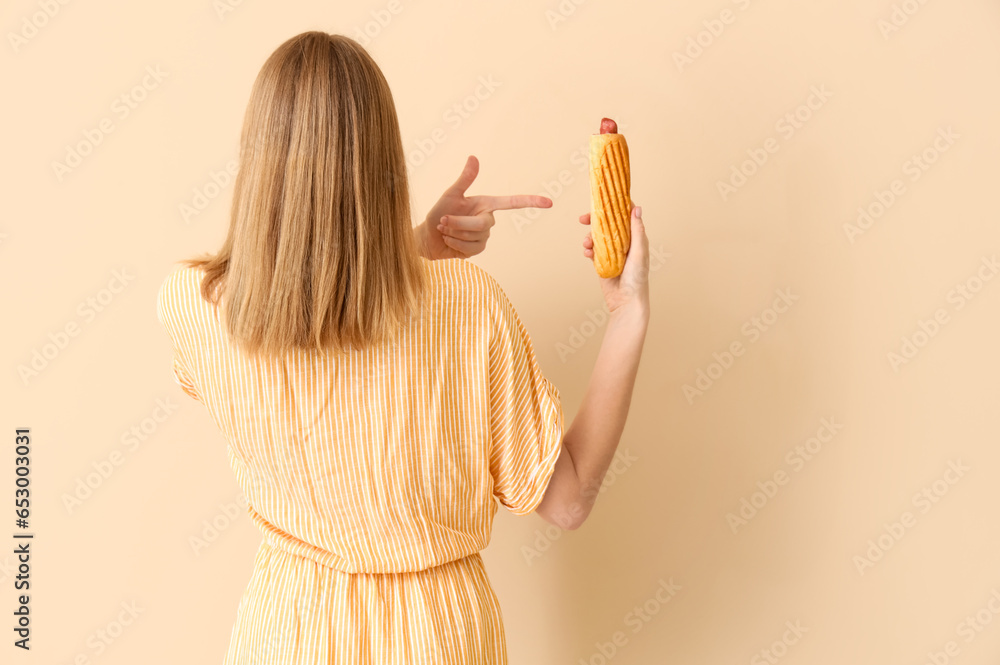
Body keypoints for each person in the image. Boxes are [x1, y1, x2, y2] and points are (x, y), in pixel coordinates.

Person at [155, 30, 649, 665]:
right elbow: (568, 500)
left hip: (286, 638)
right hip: (437, 642)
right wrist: (626, 311)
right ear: (385, 159)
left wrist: (411, 250)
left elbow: (316, 329)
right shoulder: (468, 307)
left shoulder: (193, 306)